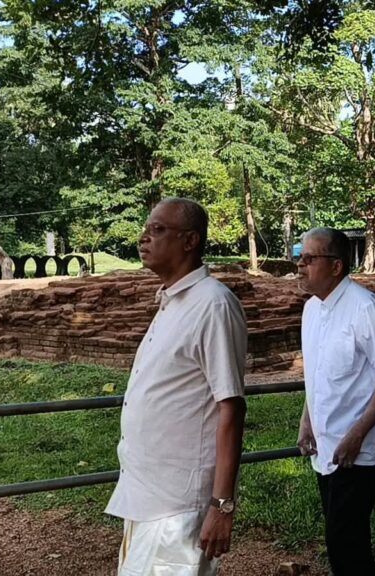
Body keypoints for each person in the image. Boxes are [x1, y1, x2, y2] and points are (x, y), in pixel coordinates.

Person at [106, 198, 248, 576]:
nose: (144, 238)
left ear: (190, 241)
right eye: (146, 229)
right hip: (147, 492)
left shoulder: (213, 305)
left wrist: (222, 505)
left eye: (157, 229)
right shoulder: (172, 302)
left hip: (179, 505)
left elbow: (231, 407)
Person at [296, 227, 375, 576]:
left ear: (336, 265)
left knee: (345, 540)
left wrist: (356, 435)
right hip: (326, 442)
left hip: (360, 446)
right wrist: (307, 421)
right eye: (300, 258)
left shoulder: (365, 308)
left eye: (309, 259)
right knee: (340, 537)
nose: (300, 265)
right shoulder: (311, 309)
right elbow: (317, 373)